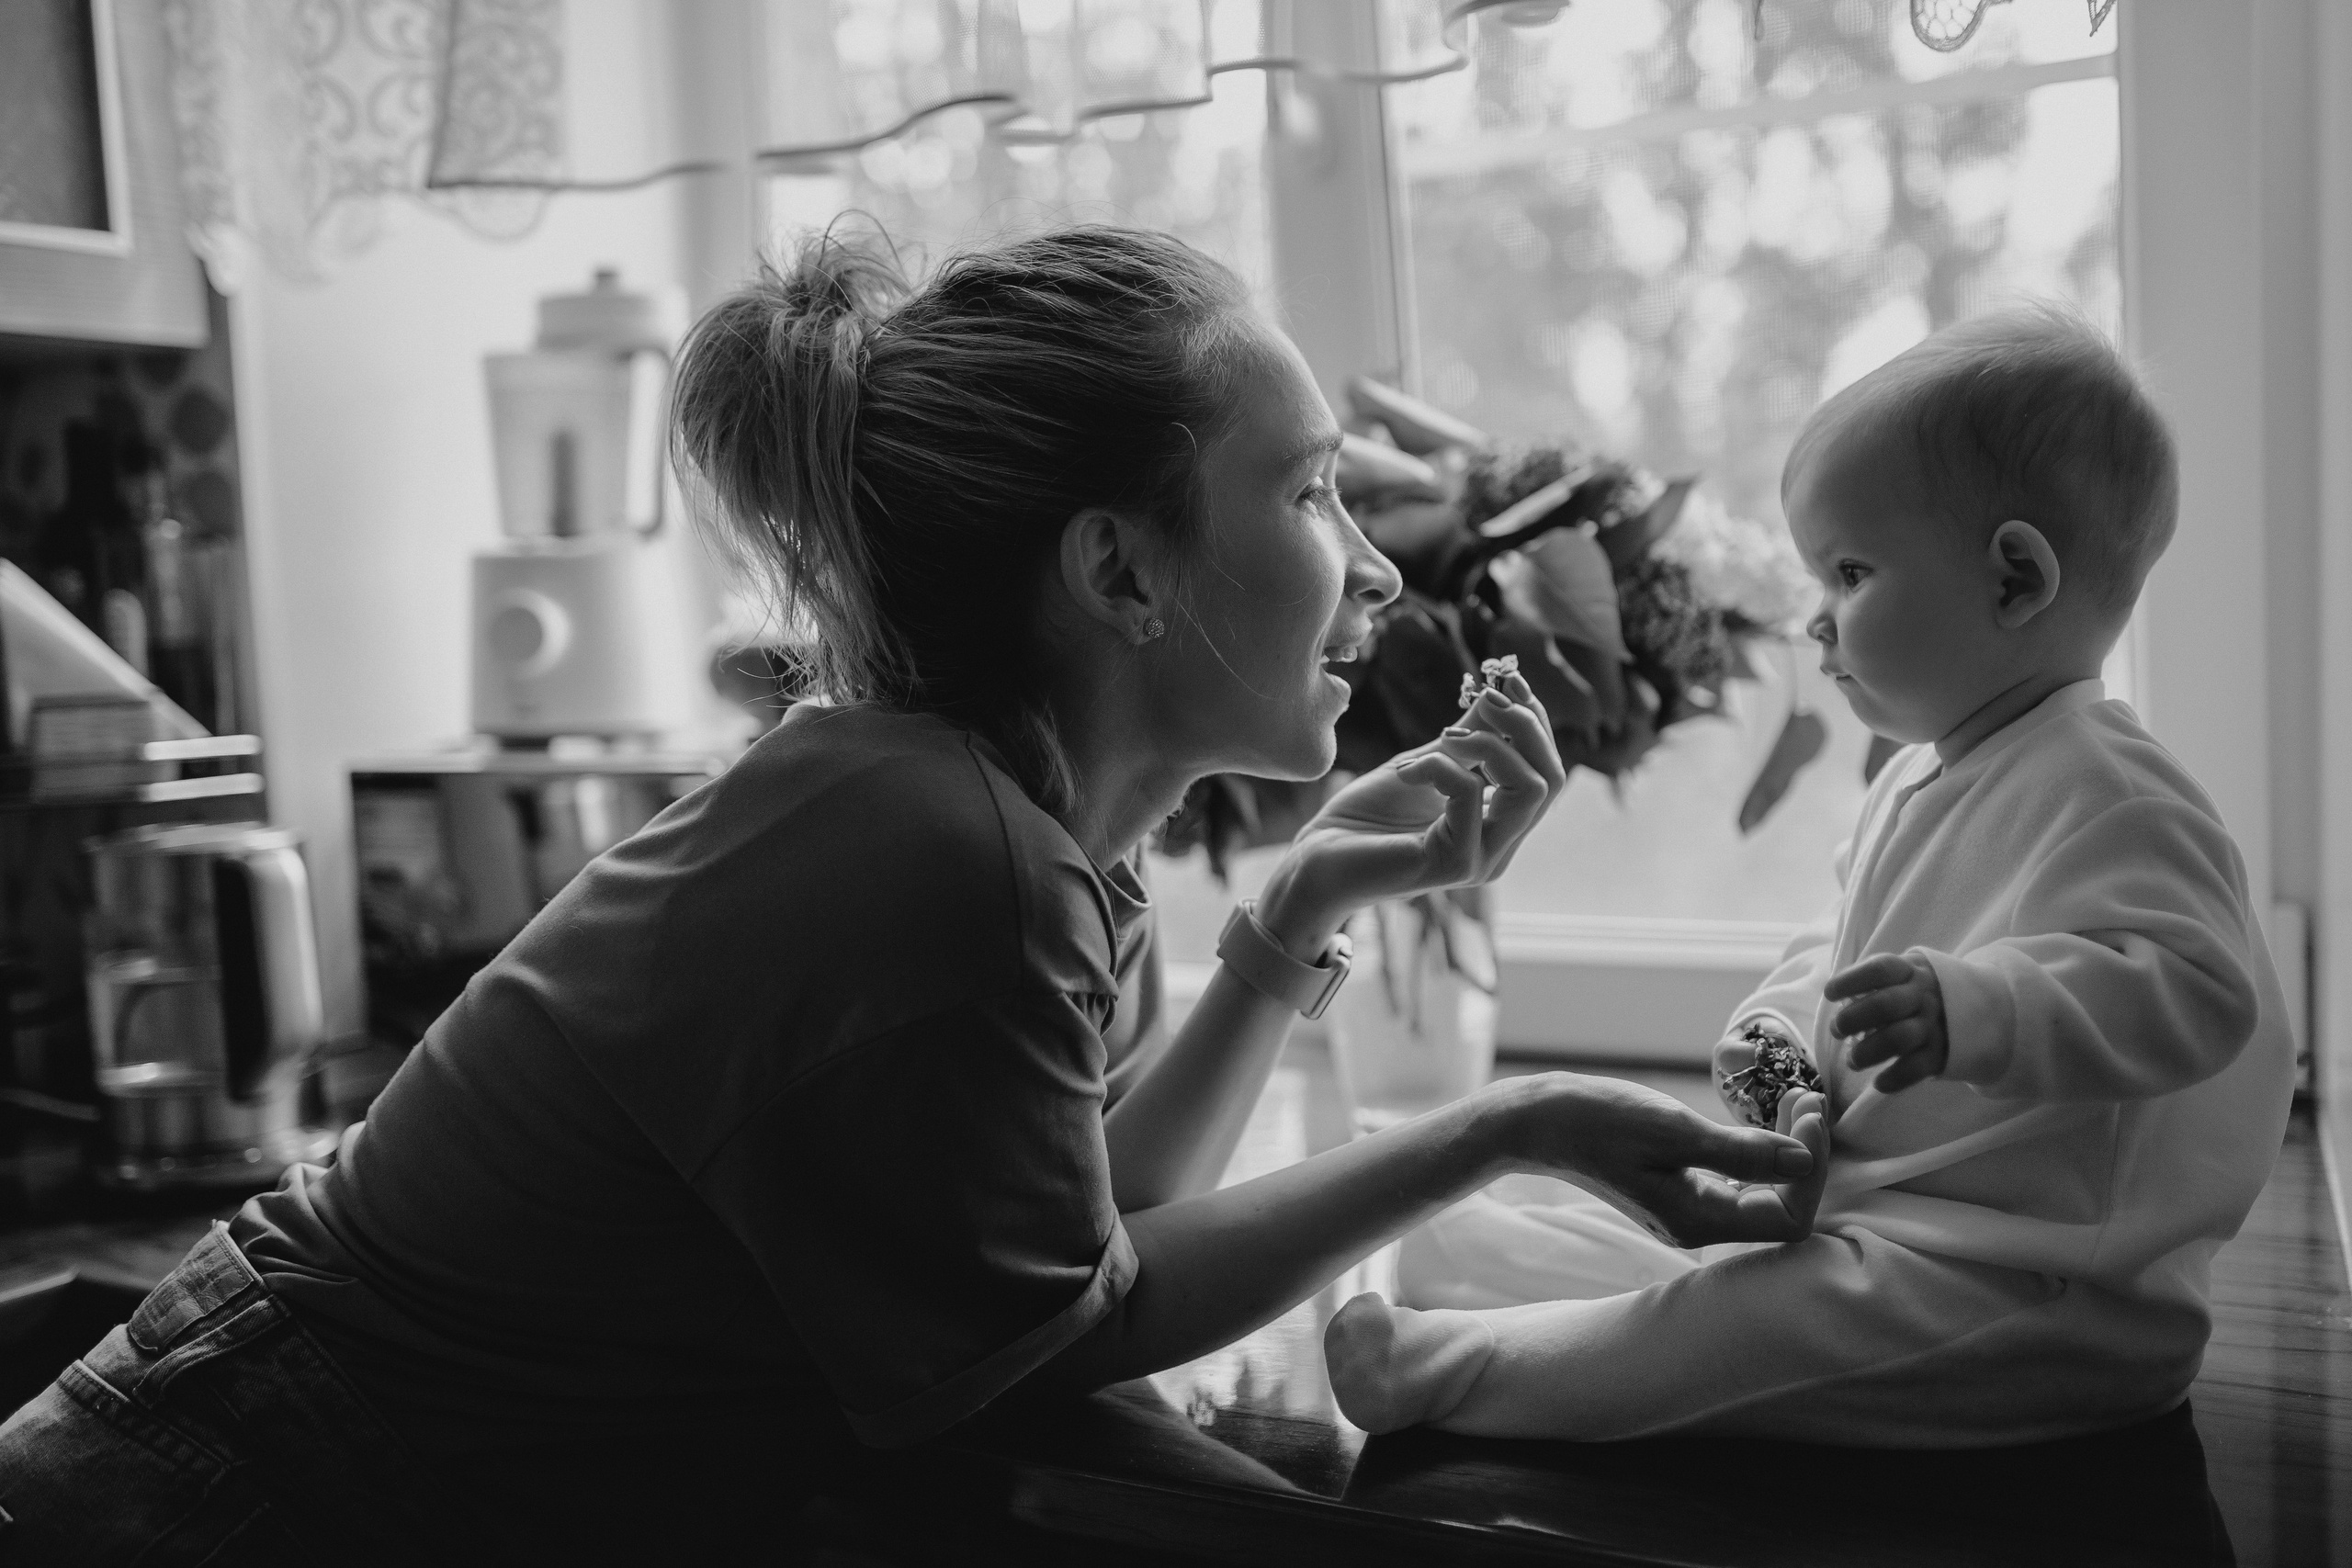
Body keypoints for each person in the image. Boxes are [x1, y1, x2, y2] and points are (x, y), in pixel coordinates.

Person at [0, 225, 1825, 1564]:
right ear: (1117, 568)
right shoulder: (940, 853)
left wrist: (1293, 914)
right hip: (224, 1494)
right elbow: (1072, 1340)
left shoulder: (987, 822)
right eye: (1308, 494)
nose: (1360, 568)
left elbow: (1071, 1237)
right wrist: (1497, 1121)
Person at [1324, 304, 2298, 1448]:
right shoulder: (1920, 777)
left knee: (1742, 1329)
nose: (1815, 621)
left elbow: (2198, 994)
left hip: (2036, 1295)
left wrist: (1975, 1007)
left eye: (1848, 572)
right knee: (1690, 1249)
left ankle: (1473, 1372)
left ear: (2015, 580)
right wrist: (1779, 1045)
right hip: (1881, 1216)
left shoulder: (2115, 790)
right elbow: (1839, 948)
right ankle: (1477, 1259)